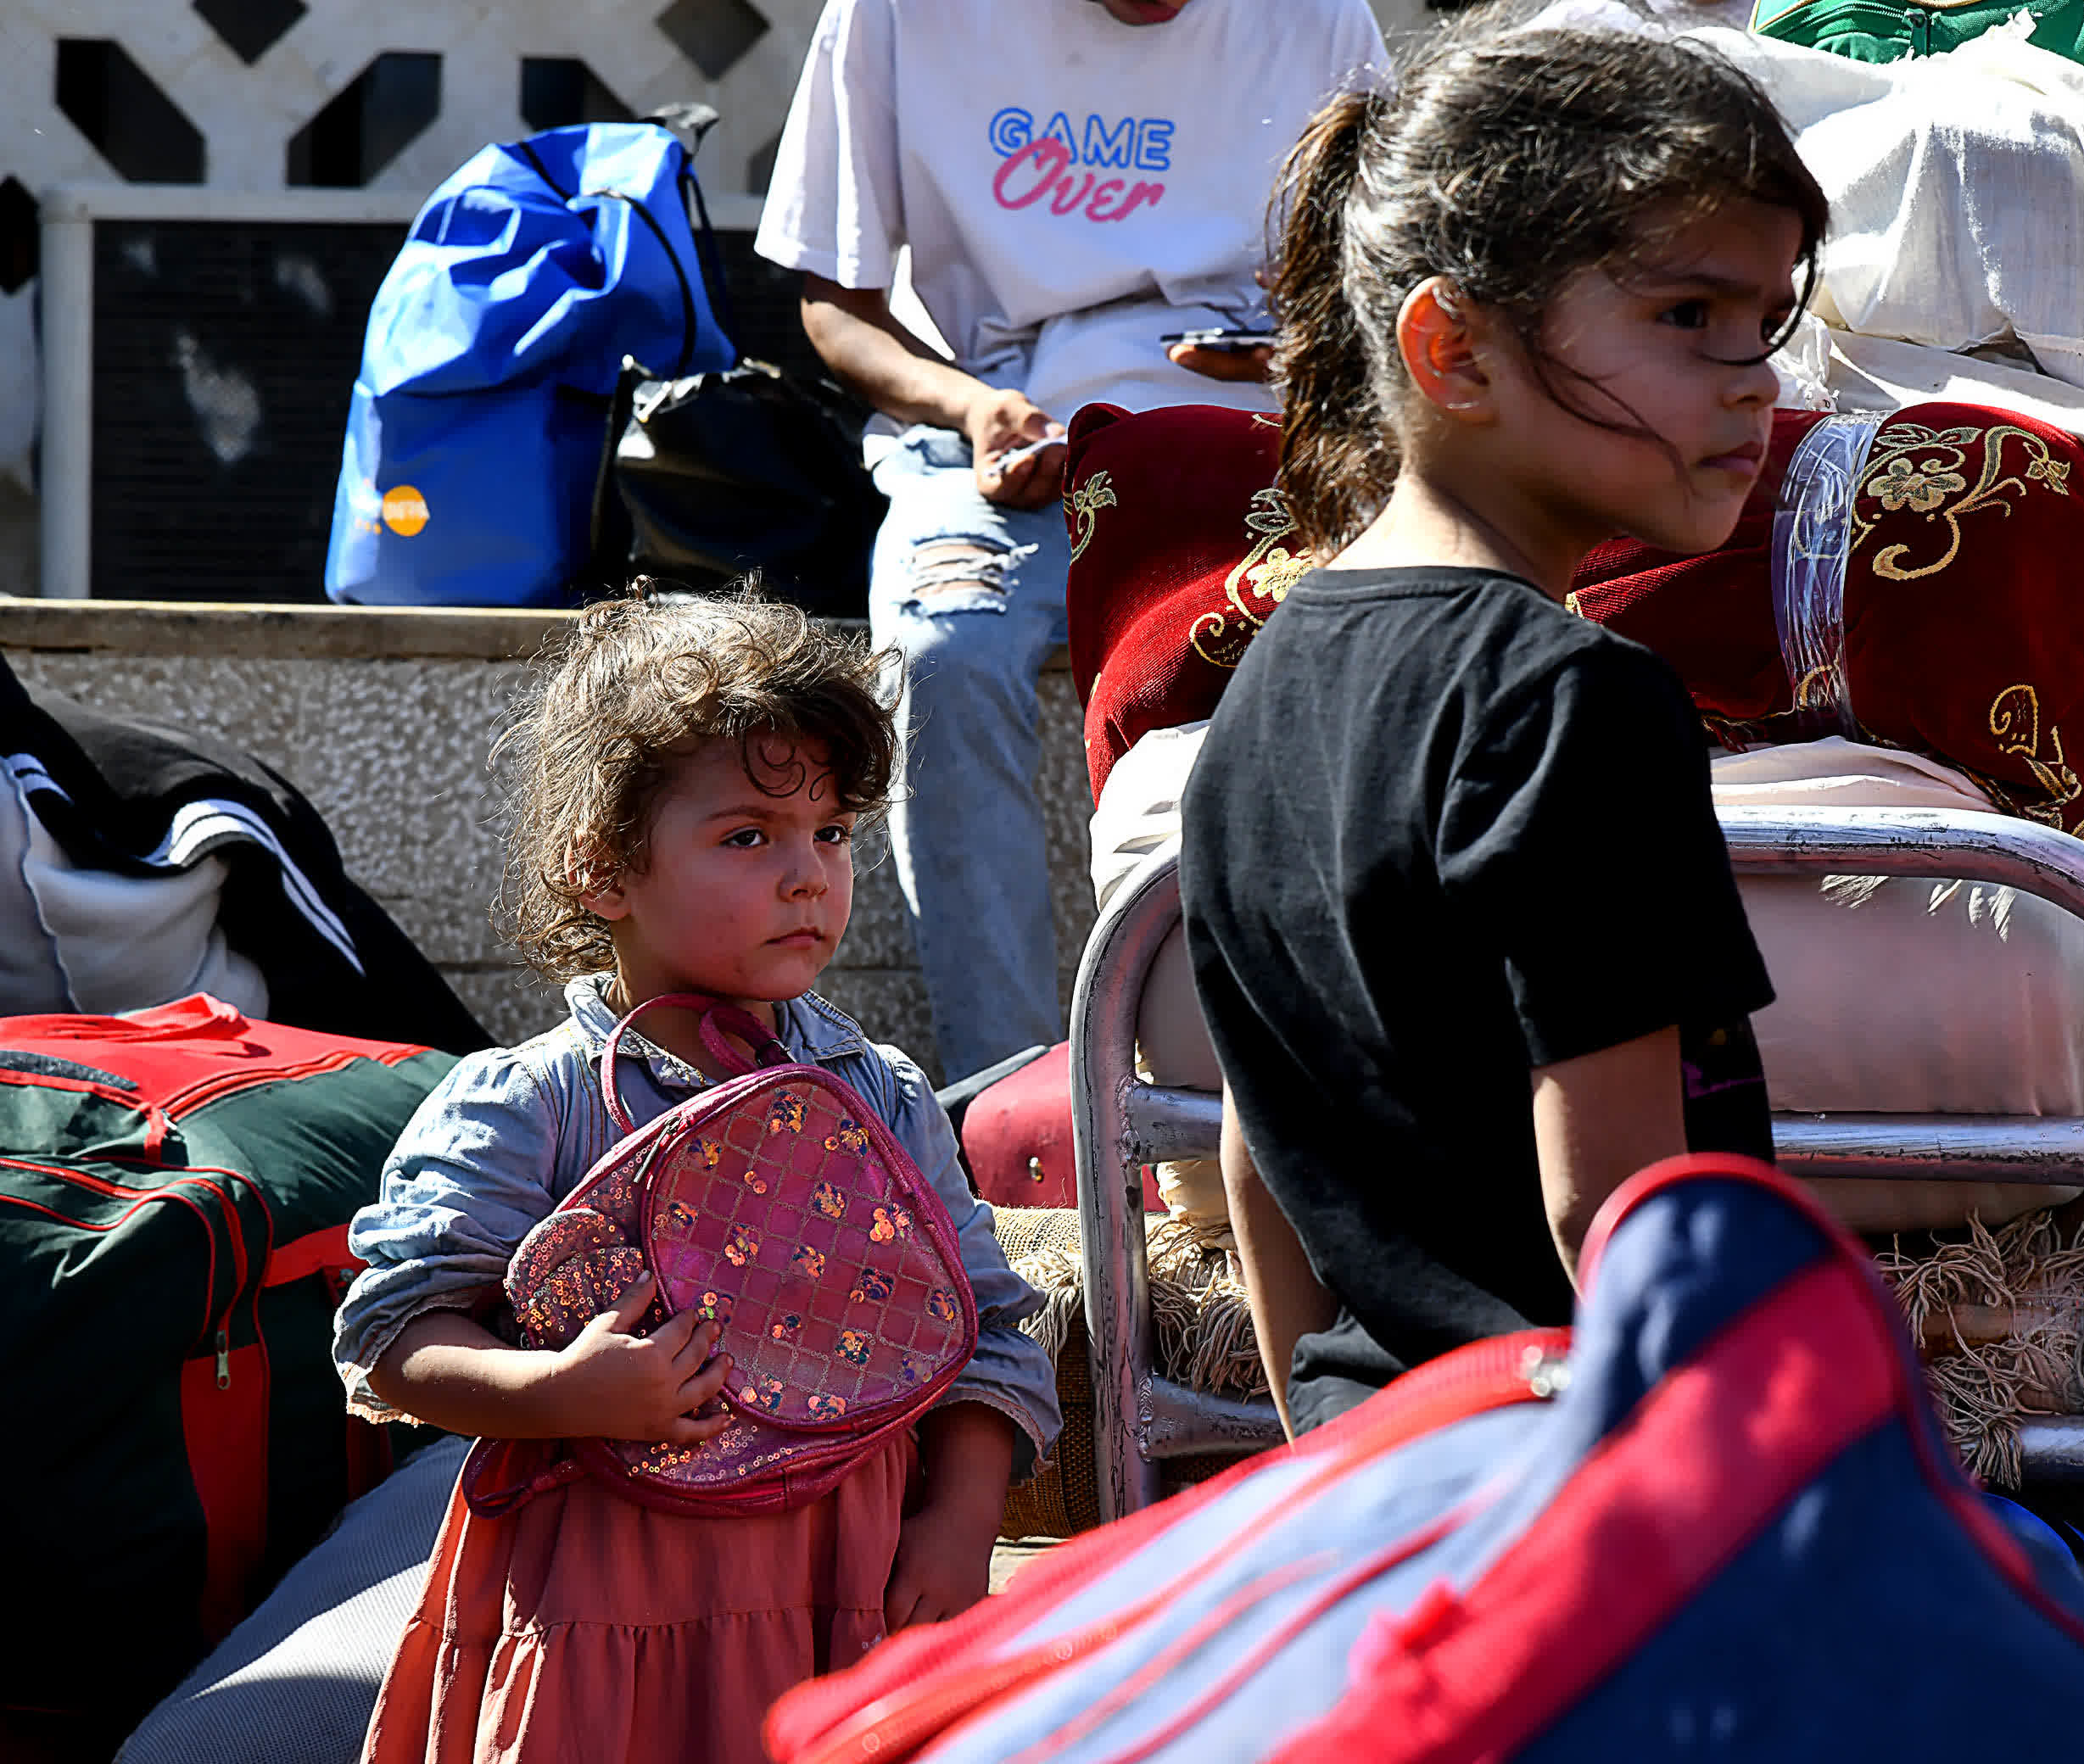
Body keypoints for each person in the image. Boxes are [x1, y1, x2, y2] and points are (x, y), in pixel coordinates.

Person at [1179, 20, 1824, 1436]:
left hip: (1388, 1487)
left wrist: (1337, 1462)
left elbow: (1253, 1166)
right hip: (1591, 1485)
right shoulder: (1574, 702)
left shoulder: (1262, 686)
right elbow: (1616, 1211)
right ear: (1454, 348)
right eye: (1687, 315)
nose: (1753, 378)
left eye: (1764, 322)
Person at [331, 589, 1059, 1764]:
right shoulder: (533, 1105)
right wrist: (553, 1394)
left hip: (848, 1596)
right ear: (601, 870)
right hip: (601, 1618)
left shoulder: (883, 1101)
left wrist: (962, 1517)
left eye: (831, 833)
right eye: (747, 837)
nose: (808, 876)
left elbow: (996, 1336)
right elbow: (391, 1334)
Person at [753, 0, 1389, 1082]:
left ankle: (1296, 1083)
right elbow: (837, 303)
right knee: (944, 655)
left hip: (1249, 444)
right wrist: (968, 407)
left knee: (1353, 651)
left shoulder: (1316, 17)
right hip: (988, 441)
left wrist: (1295, 352)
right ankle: (1014, 1110)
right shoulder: (897, 15)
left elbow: (1379, 274)